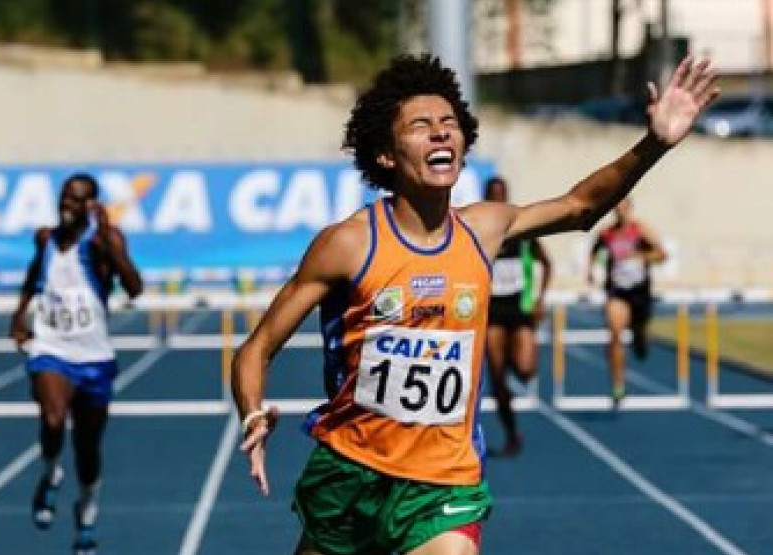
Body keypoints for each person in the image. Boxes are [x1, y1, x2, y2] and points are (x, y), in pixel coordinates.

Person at [231, 53, 716, 555]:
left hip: (444, 481)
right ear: (386, 154)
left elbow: (580, 207)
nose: (441, 133)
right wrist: (251, 414)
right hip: (350, 473)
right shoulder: (349, 244)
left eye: (449, 123)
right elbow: (257, 347)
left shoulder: (483, 229)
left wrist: (655, 143)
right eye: (421, 126)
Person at [10, 173, 142, 555]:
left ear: (90, 205)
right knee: (52, 418)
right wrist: (20, 315)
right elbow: (34, 276)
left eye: (76, 199)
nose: (67, 204)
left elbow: (134, 288)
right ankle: (51, 471)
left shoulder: (105, 241)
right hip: (51, 347)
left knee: (87, 448)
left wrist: (107, 240)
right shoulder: (45, 239)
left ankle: (86, 513)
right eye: (64, 197)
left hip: (94, 356)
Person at [484, 176, 551, 457]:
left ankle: (512, 354)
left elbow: (546, 264)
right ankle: (511, 431)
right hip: (492, 308)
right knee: (497, 377)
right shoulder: (480, 231)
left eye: (502, 194)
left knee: (526, 370)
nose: (498, 199)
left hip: (519, 307)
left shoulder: (522, 230)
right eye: (493, 195)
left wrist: (539, 298)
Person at [587, 197, 667, 407]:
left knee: (639, 339)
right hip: (617, 292)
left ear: (630, 208)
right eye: (616, 208)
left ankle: (640, 336)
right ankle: (618, 385)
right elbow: (593, 253)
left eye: (624, 208)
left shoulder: (641, 230)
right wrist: (591, 271)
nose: (620, 212)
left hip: (640, 292)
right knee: (614, 333)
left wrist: (640, 255)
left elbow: (662, 255)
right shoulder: (606, 234)